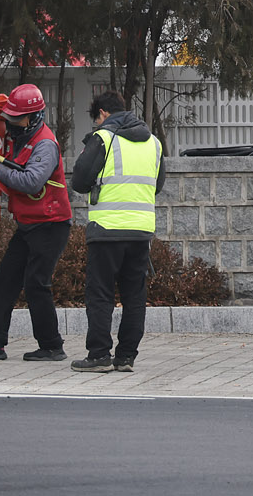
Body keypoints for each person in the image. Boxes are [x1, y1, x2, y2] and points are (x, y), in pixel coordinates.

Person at [0, 84, 74, 362]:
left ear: (34, 117)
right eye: (8, 116)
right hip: (29, 223)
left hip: (51, 224)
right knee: (4, 280)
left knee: (36, 283)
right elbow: (10, 173)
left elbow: (30, 180)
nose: (9, 123)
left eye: (16, 118)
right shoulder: (18, 138)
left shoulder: (44, 144)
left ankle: (51, 346)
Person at [68, 91, 165, 373]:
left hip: (107, 228)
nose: (97, 126)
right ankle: (125, 357)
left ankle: (99, 354)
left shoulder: (104, 138)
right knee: (135, 295)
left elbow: (80, 180)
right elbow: (156, 185)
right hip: (141, 231)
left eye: (96, 120)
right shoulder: (154, 143)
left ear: (103, 114)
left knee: (100, 293)